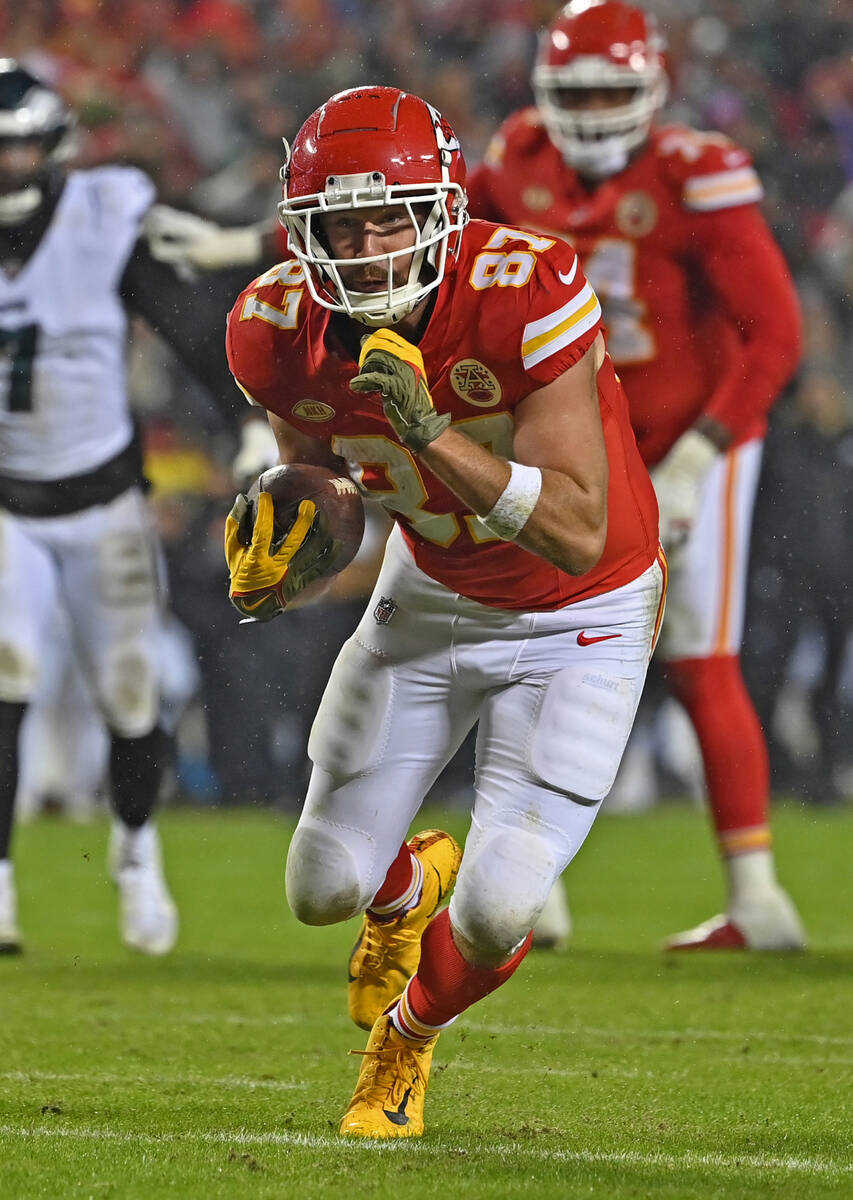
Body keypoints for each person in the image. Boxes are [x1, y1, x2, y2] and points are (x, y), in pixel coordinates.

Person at [224, 84, 664, 1139]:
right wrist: (293, 553)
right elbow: (327, 486)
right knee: (320, 886)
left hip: (581, 613)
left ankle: (406, 1042)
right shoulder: (271, 332)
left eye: (391, 215)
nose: (370, 245)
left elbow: (571, 528)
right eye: (343, 222)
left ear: (444, 206)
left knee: (505, 904)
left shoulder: (527, 287)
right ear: (305, 230)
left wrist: (430, 434)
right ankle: (403, 891)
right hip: (427, 594)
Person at [466, 0, 806, 952]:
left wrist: (700, 454)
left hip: (691, 438)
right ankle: (526, 887)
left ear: (652, 84)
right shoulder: (514, 162)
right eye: (579, 90)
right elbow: (445, 266)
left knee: (699, 654)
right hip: (573, 447)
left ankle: (756, 896)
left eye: (614, 87)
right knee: (523, 652)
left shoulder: (691, 172)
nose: (597, 107)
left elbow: (773, 335)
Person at [0, 60, 242, 955]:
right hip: (7, 506)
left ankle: (136, 852)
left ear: (54, 150)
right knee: (7, 674)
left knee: (131, 697)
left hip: (104, 502)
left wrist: (245, 423)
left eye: (21, 151)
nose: (9, 170)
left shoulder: (101, 223)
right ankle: (0, 885)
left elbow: (184, 326)